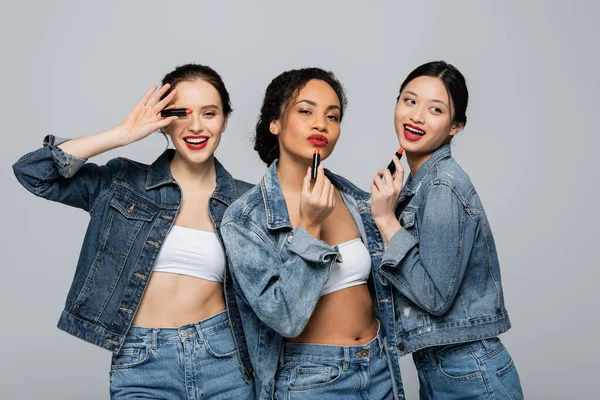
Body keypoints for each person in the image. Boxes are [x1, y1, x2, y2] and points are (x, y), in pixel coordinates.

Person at [13, 64, 255, 399]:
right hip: (142, 360)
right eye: (181, 113)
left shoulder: (249, 202)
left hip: (223, 359)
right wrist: (122, 134)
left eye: (209, 113)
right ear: (163, 120)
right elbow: (33, 173)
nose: (196, 126)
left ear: (225, 120)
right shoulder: (123, 183)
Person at [221, 67, 404, 399]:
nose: (321, 124)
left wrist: (389, 217)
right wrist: (309, 226)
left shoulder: (356, 200)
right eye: (306, 111)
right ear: (274, 123)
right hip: (310, 380)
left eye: (332, 117)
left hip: (379, 367)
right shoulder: (246, 219)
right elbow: (283, 318)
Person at [371, 60, 523, 399]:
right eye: (409, 101)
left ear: (456, 126)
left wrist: (385, 220)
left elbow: (435, 298)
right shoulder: (417, 184)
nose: (416, 117)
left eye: (435, 109)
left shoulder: (442, 185)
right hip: (447, 368)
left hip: (467, 369)